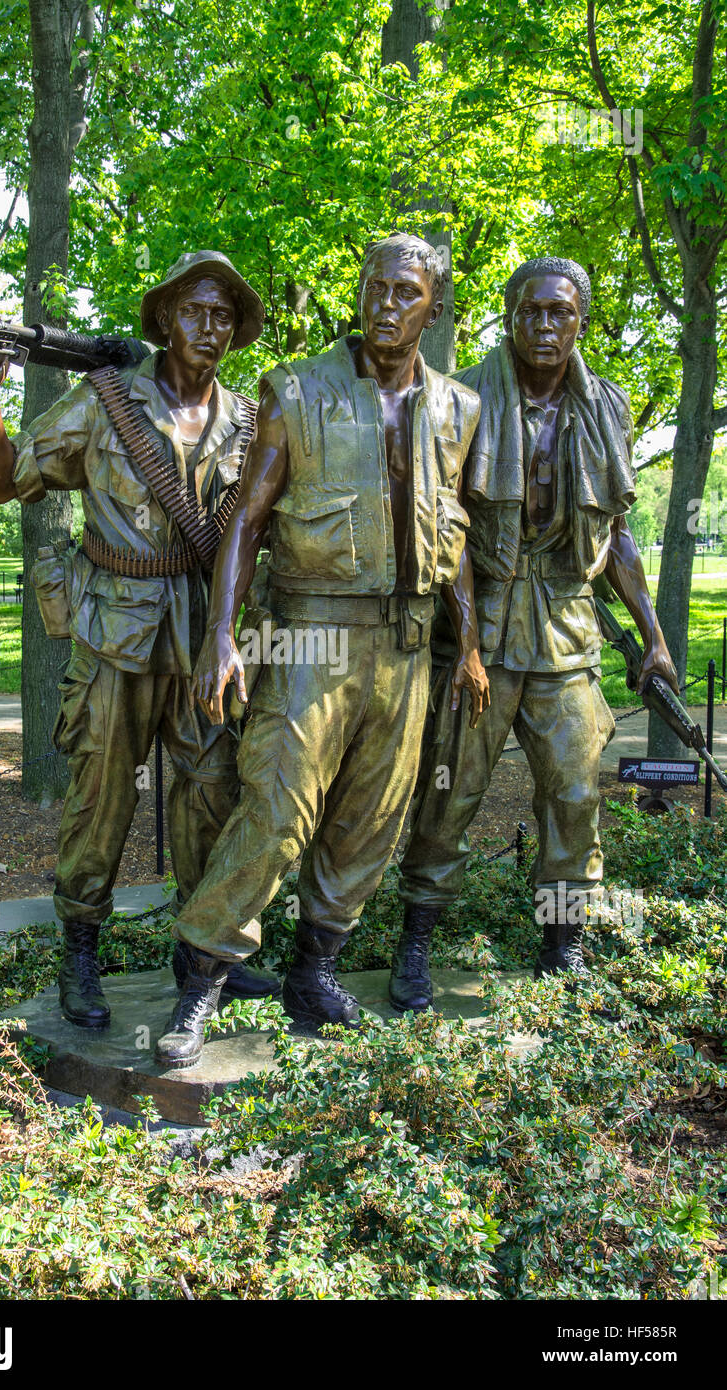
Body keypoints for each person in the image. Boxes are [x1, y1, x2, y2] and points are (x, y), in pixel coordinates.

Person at [155, 232, 486, 1068]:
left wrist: (471, 646)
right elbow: (248, 521)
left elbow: (455, 536)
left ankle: (316, 972)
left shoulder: (458, 407)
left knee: (370, 822)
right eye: (374, 286)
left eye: (405, 293)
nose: (384, 304)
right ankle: (199, 982)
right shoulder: (296, 390)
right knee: (274, 811)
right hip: (312, 634)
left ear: (433, 307)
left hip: (408, 644)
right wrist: (222, 634)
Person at [0, 250, 279, 1027]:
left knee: (212, 795)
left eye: (225, 315)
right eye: (195, 311)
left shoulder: (248, 420)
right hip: (113, 635)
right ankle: (80, 956)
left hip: (206, 640)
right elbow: (1, 483)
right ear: (165, 319)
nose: (210, 327)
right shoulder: (103, 402)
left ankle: (203, 960)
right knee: (100, 801)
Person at [392, 256, 678, 1010]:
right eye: (532, 312)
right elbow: (444, 529)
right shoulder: (459, 400)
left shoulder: (607, 408)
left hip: (565, 629)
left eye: (561, 313)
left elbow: (615, 535)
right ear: (509, 316)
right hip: (476, 630)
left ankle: (564, 943)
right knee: (449, 791)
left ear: (579, 320)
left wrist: (652, 635)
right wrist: (472, 647)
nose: (546, 327)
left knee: (575, 793)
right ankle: (415, 942)